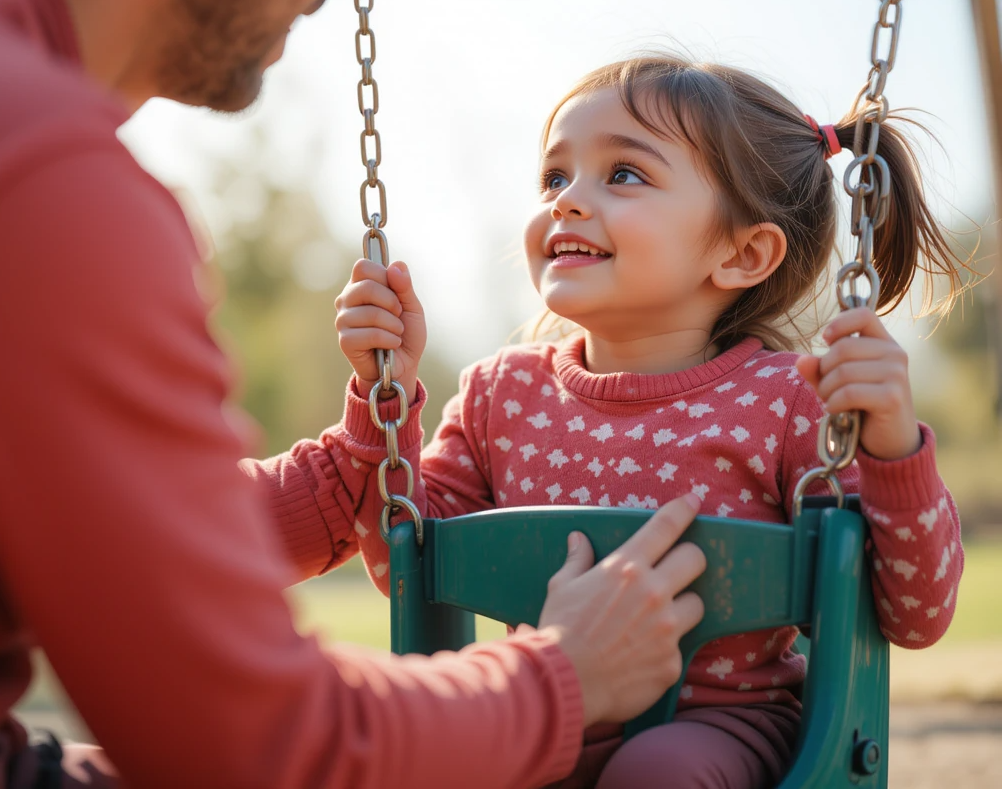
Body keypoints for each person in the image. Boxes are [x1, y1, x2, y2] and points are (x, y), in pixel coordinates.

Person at [0, 0, 711, 787]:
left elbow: (98, 524)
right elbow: (258, 745)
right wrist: (561, 678)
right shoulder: (47, 185)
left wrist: (344, 471)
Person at [306, 55, 967, 788]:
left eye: (622, 175)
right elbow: (402, 563)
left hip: (720, 730)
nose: (567, 201)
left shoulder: (788, 402)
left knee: (656, 771)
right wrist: (383, 397)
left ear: (743, 253)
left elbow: (914, 614)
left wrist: (894, 450)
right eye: (555, 177)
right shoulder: (501, 396)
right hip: (547, 713)